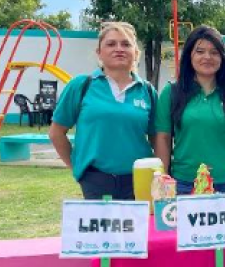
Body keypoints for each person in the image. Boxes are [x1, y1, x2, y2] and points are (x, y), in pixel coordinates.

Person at [50, 22, 158, 200]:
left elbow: (157, 137)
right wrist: (77, 167)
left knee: (140, 220)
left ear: (136, 53)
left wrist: (160, 173)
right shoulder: (81, 85)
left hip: (140, 179)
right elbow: (56, 133)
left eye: (126, 44)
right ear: (99, 52)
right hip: (96, 179)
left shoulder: (146, 90)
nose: (119, 49)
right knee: (103, 220)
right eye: (111, 44)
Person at [154, 26, 225, 195]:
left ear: (222, 57)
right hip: (185, 184)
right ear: (189, 55)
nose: (207, 57)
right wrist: (163, 178)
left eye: (214, 52)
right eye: (200, 51)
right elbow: (163, 138)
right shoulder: (171, 92)